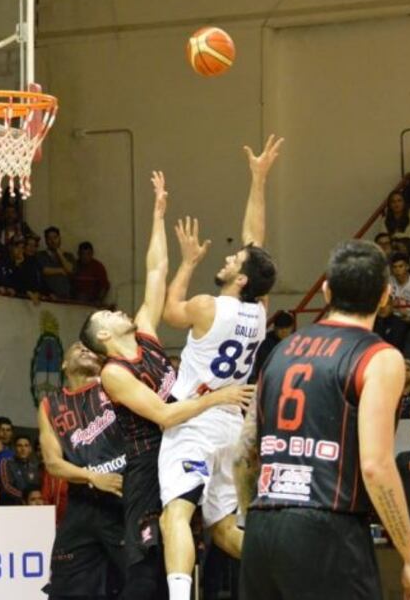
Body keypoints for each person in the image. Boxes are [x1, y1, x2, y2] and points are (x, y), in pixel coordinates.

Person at [79, 171, 253, 600]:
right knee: (146, 559)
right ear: (103, 336)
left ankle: (283, 576)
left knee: (223, 530)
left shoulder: (144, 334)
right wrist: (219, 397)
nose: (117, 310)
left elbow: (156, 270)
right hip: (147, 459)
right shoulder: (114, 372)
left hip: (188, 437)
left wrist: (159, 213)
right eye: (107, 315)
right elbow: (164, 414)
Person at [235, 239, 410, 599]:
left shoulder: (279, 351)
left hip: (262, 525)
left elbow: (244, 454)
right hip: (328, 527)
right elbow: (375, 466)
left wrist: (255, 523)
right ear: (386, 296)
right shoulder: (380, 357)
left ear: (326, 291)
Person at [156, 135, 280, 599]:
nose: (229, 256)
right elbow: (257, 242)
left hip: (194, 420)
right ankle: (291, 580)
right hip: (230, 427)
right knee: (225, 530)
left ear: (241, 278)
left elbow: (171, 312)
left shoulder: (208, 306)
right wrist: (258, 179)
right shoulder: (258, 311)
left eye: (234, 260)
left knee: (177, 515)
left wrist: (187, 264)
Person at [39, 342, 127, 599]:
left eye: (90, 349)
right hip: (82, 502)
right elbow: (53, 463)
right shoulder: (50, 404)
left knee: (141, 580)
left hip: (124, 497)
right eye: (78, 347)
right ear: (63, 364)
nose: (85, 349)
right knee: (66, 584)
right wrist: (92, 477)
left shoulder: (113, 385)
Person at [0, 435, 42, 505]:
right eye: (19, 446)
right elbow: (6, 486)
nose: (23, 449)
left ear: (30, 449)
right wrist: (24, 497)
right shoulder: (6, 463)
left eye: (26, 446)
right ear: (14, 448)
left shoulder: (35, 466)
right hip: (13, 504)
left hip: (32, 505)